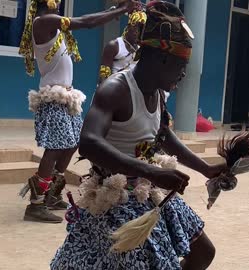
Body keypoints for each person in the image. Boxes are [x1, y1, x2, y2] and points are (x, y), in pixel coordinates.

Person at [51, 2, 226, 269]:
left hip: (148, 191)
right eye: (181, 65)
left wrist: (206, 169)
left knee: (203, 252)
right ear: (161, 58)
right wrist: (151, 171)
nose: (183, 74)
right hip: (116, 200)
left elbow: (163, 135)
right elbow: (88, 143)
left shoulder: (156, 90)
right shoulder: (116, 89)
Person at [17, 0, 140, 223]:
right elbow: (85, 22)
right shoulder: (44, 22)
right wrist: (121, 11)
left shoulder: (52, 25)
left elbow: (87, 21)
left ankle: (52, 194)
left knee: (73, 142)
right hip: (53, 97)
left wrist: (113, 11)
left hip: (67, 97)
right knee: (54, 148)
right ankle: (35, 204)